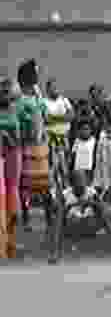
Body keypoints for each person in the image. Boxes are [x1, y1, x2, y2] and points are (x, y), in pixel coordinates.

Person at [15, 59, 49, 231]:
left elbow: (45, 113)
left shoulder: (37, 96)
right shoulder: (20, 100)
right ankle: (27, 217)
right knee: (26, 184)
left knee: (43, 182)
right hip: (27, 146)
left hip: (40, 145)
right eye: (36, 72)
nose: (38, 75)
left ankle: (49, 217)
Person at [0, 76, 21, 258]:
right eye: (2, 91)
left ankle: (11, 244)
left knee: (12, 197)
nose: (4, 94)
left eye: (7, 91)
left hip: (14, 155)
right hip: (2, 154)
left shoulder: (16, 109)